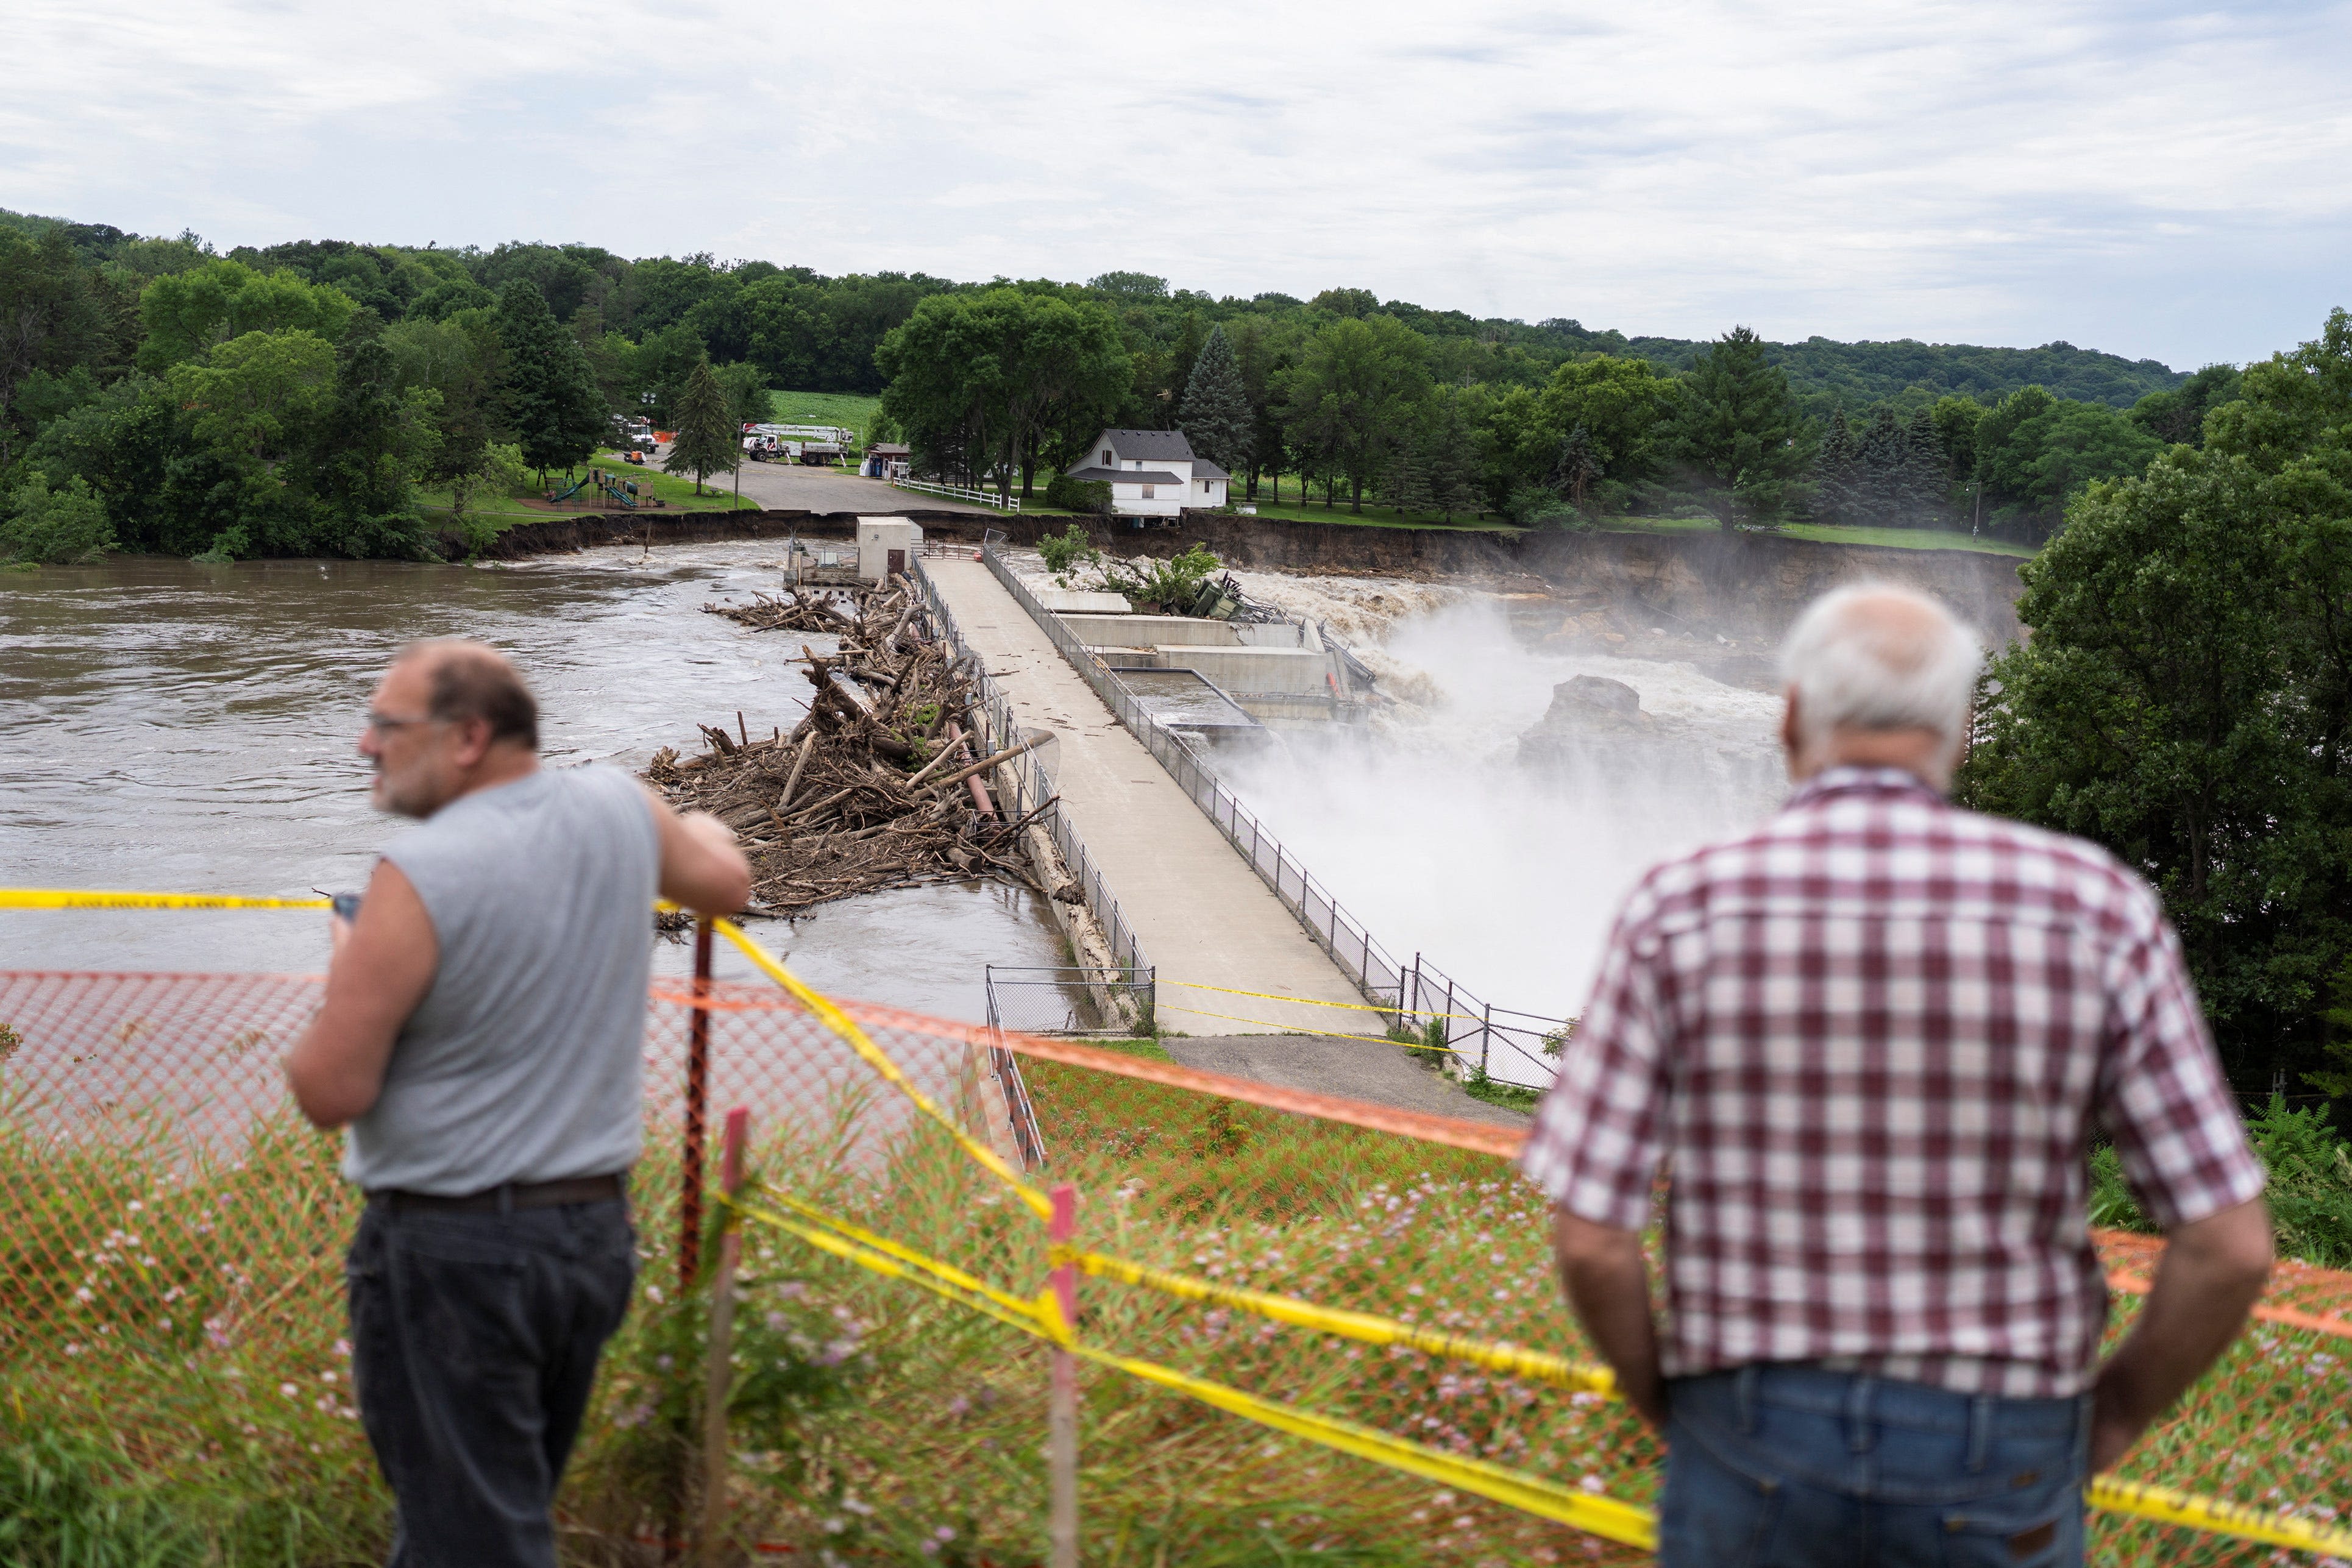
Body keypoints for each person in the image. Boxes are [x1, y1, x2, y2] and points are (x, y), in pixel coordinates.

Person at [1523, 584, 2272, 1566]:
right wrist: (2108, 1421)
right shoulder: (2098, 910)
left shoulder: (1681, 905)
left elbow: (1591, 1241)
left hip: (1746, 1420)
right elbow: (2228, 1244)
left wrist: (1672, 1402)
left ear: (1791, 714)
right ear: (1958, 729)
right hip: (2005, 1436)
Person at [285, 639, 751, 1568]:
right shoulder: (620, 806)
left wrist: (346, 969)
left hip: (454, 1258)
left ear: (466, 737)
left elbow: (330, 1090)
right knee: (477, 1511)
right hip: (587, 1242)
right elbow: (726, 882)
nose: (364, 746)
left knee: (477, 1538)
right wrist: (702, 821)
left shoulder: (416, 878)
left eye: (386, 724)